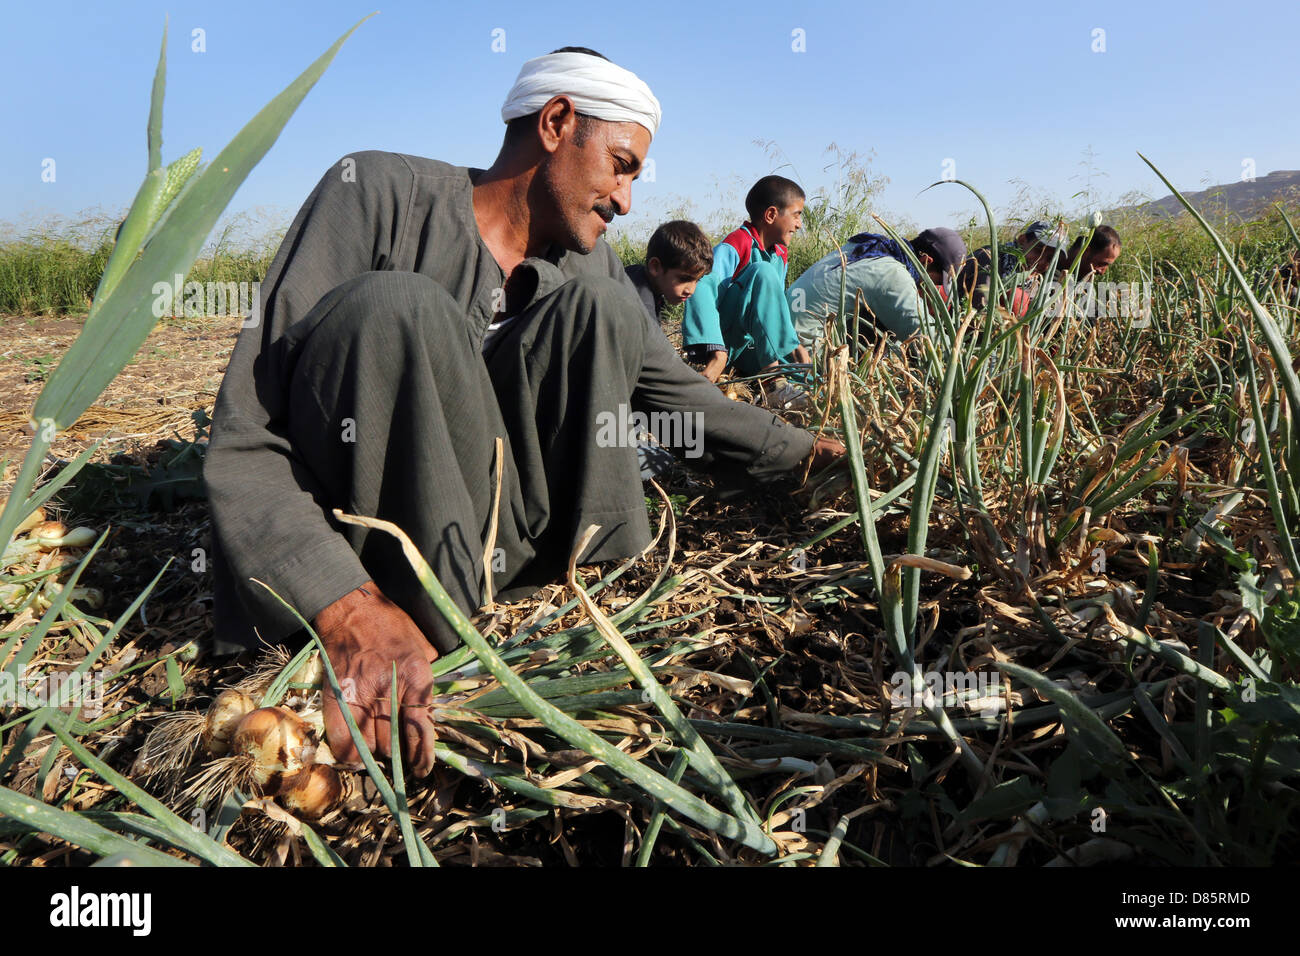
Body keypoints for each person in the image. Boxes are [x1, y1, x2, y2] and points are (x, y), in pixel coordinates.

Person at [203, 47, 845, 778]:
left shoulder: (592, 269)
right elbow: (249, 431)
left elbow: (678, 395)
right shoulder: (376, 192)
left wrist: (806, 454)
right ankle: (416, 616)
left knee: (604, 307)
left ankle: (583, 595)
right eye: (622, 165)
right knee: (401, 306)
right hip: (369, 543)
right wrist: (344, 606)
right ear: (556, 122)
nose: (628, 199)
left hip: (499, 545)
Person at [682, 176, 811, 382]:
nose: (799, 224)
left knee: (808, 378)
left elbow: (773, 308)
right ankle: (772, 379)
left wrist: (793, 344)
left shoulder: (780, 255)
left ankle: (778, 374)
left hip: (750, 346)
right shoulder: (737, 244)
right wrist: (716, 352)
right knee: (763, 272)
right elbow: (702, 284)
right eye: (796, 216)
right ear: (770, 215)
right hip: (724, 343)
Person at [786, 227, 967, 350]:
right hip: (806, 357)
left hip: (783, 338)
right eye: (937, 280)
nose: (934, 286)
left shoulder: (873, 248)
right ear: (926, 261)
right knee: (889, 330)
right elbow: (927, 339)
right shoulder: (892, 273)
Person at [959, 219, 1069, 314]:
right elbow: (981, 307)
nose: (1041, 261)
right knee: (1016, 296)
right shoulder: (990, 258)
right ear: (1022, 241)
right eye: (1038, 250)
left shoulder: (1038, 280)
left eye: (1050, 258)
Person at [624, 219, 713, 322]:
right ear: (655, 267)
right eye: (683, 279)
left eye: (697, 280)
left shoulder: (634, 274)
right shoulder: (641, 308)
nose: (690, 290)